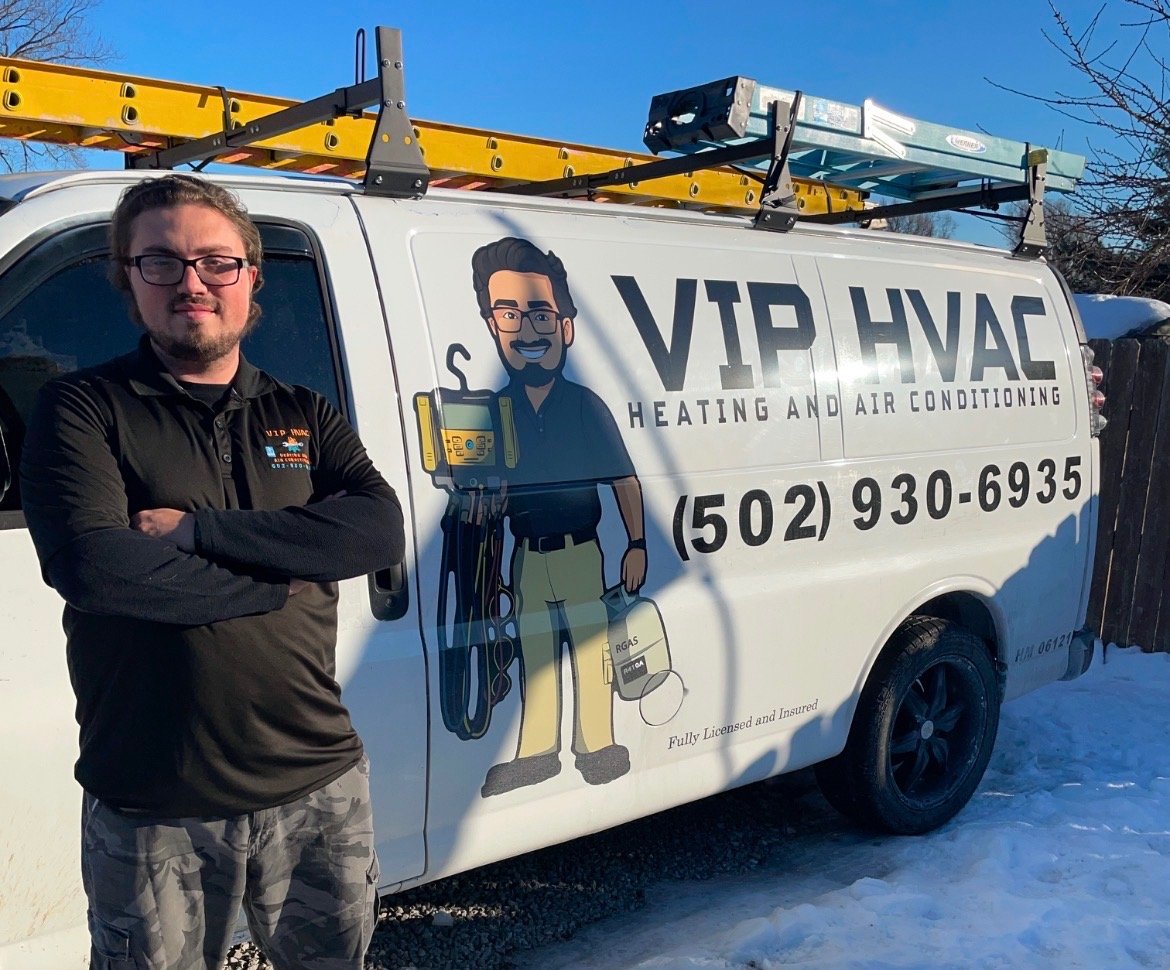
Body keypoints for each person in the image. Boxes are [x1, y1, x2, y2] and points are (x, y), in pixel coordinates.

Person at [19, 174, 403, 970]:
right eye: (160, 262)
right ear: (128, 277)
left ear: (250, 277)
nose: (192, 283)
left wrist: (196, 532)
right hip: (156, 799)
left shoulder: (303, 411)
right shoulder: (83, 409)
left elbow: (375, 530)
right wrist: (277, 577)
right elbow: (97, 567)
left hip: (318, 784)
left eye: (215, 262)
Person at [470, 237, 647, 797]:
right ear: (493, 326)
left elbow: (625, 478)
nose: (526, 329)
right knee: (534, 655)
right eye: (508, 313)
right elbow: (490, 494)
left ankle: (598, 746)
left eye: (540, 313)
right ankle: (536, 754)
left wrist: (637, 544)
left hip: (578, 552)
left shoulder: (586, 406)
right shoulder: (496, 413)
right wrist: (492, 563)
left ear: (566, 326)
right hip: (527, 556)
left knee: (591, 650)